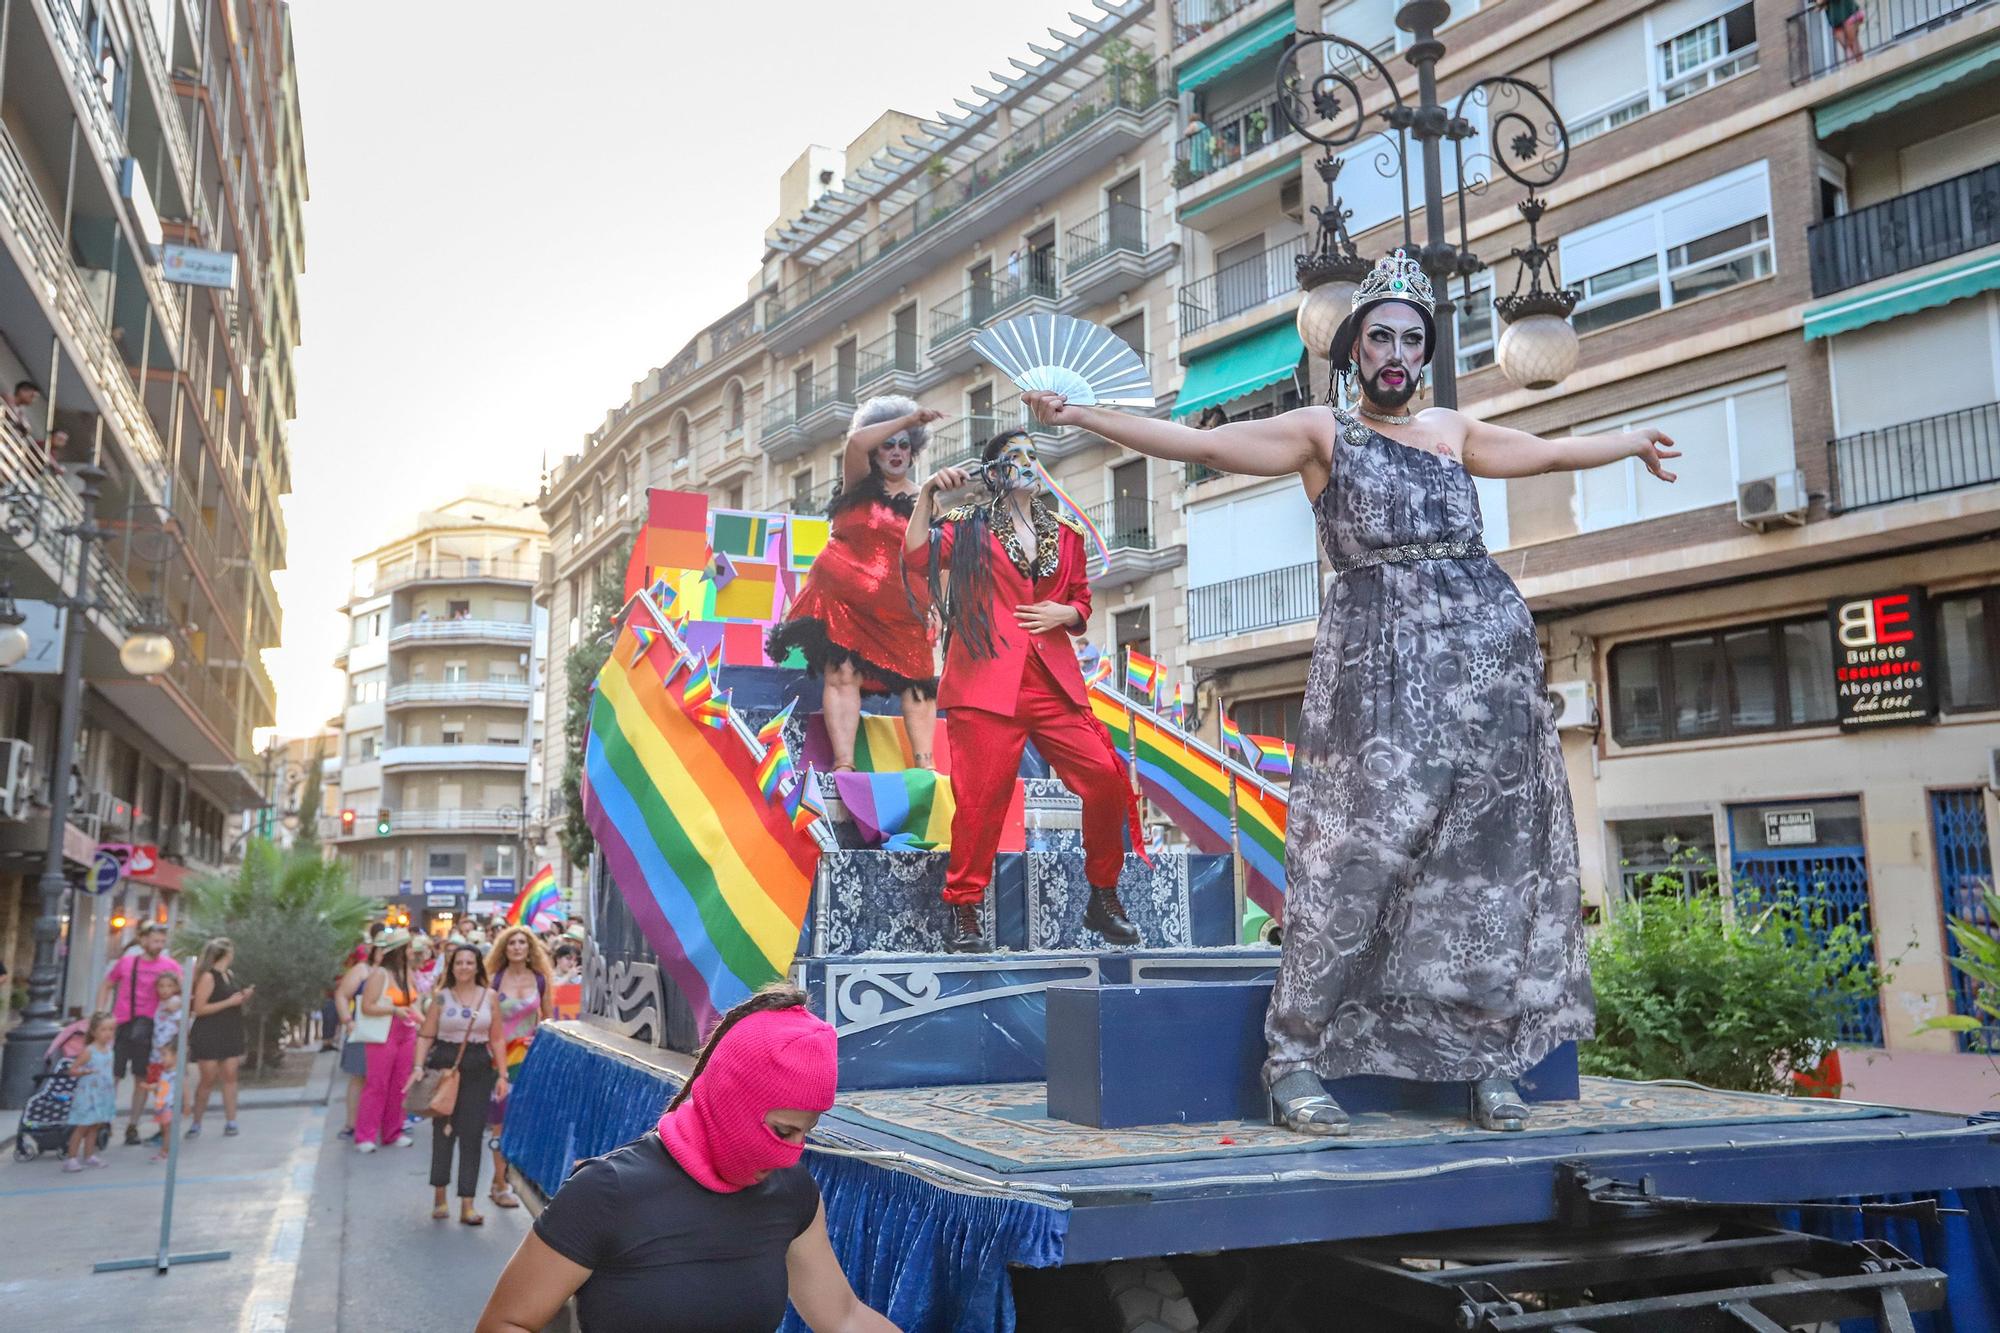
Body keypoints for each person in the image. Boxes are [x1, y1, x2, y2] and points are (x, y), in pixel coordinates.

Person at [1022, 249, 1679, 1136]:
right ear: (1354, 351)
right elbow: (1206, 444)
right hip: (1379, 667)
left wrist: (1633, 441)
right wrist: (1086, 416)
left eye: (1413, 337)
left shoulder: (1453, 430)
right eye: (1380, 337)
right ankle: (1293, 1056)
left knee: (1483, 868)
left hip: (1493, 676)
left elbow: (1550, 448)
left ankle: (1483, 1057)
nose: (1397, 351)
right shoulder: (1323, 435)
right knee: (1355, 858)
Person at [475, 985, 898, 1333]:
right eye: (783, 1131)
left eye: (807, 1133)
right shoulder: (606, 1192)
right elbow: (507, 1323)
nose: (792, 1153)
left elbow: (842, 1317)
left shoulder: (791, 1192)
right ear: (733, 1101)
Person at [903, 429, 1144, 953]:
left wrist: (1069, 613)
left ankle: (1103, 896)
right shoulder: (967, 528)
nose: (1029, 463)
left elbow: (1081, 600)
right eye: (1016, 457)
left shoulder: (1068, 534)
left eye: (1034, 455)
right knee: (981, 801)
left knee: (1104, 778)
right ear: (994, 472)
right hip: (986, 682)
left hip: (1052, 681)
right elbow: (918, 554)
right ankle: (965, 907)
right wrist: (927, 497)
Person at [767, 397, 945, 772]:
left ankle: (925, 766)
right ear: (877, 451)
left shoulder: (927, 499)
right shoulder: (858, 483)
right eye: (889, 444)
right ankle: (844, 763)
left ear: (914, 453)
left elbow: (941, 556)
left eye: (904, 445)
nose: (896, 452)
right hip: (842, 601)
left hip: (903, 612)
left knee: (918, 683)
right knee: (842, 673)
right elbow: (855, 444)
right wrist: (909, 418)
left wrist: (940, 608)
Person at [406, 943, 508, 1225]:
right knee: (444, 1130)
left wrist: (502, 1075)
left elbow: (497, 1037)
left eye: (469, 962)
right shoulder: (440, 998)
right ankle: (440, 1196)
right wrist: (418, 1067)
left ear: (478, 966)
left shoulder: (489, 997)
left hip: (478, 1066)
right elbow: (426, 1035)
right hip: (445, 1065)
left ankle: (467, 1203)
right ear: (451, 967)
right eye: (458, 962)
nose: (464, 967)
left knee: (473, 1134)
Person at [485, 923, 553, 1210]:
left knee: (522, 1120)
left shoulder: (540, 980)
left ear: (529, 949)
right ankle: (499, 1184)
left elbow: (548, 1021)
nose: (516, 947)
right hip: (497, 1058)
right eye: (511, 943)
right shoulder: (494, 979)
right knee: (499, 1121)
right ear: (504, 948)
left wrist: (537, 1040)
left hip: (527, 1060)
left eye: (521, 943)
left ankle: (507, 1178)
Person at [95, 920, 182, 1146]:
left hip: (150, 1030)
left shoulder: (170, 965)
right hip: (123, 1025)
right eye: (155, 940)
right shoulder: (126, 963)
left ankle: (133, 1125)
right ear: (143, 940)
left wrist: (178, 1001)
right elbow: (107, 984)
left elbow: (186, 988)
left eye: (162, 941)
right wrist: (99, 1012)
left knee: (142, 1078)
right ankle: (105, 1120)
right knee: (113, 1075)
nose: (159, 945)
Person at [354, 928, 421, 1152]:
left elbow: (413, 1003)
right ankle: (365, 1135)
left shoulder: (406, 973)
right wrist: (394, 1010)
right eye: (409, 947)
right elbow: (367, 1006)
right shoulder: (380, 974)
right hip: (384, 1032)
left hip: (407, 1031)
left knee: (400, 1084)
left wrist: (425, 1021)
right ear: (400, 951)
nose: (413, 951)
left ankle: (394, 1131)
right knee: (377, 1084)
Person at [186, 937, 253, 1137]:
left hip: (230, 1028)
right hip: (209, 1030)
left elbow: (230, 999)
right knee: (207, 1078)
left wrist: (241, 998)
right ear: (226, 954)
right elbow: (199, 1008)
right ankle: (196, 1122)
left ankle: (231, 1120)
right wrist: (229, 1003)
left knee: (231, 1076)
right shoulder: (208, 977)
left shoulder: (228, 975)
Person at [332, 934, 378, 1140]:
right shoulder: (361, 970)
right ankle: (351, 1123)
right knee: (359, 1076)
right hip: (363, 1029)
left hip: (390, 1032)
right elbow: (341, 995)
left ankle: (381, 1122)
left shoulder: (396, 971)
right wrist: (348, 1021)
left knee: (384, 1079)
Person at [63, 1012, 117, 1172]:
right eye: (104, 1029)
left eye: (111, 1029)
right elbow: (71, 1070)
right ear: (94, 1032)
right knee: (82, 1126)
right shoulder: (89, 1051)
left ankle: (89, 1155)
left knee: (95, 1126)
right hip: (88, 1094)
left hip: (102, 1093)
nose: (108, 1033)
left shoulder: (109, 1049)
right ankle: (71, 1158)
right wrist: (83, 1072)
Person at [145, 971, 184, 1153]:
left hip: (170, 1059)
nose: (165, 990)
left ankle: (169, 1134)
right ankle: (162, 1132)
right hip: (155, 1058)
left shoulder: (176, 1006)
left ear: (176, 987)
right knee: (159, 1097)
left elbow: (183, 1031)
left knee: (169, 1097)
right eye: (161, 986)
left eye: (169, 986)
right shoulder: (158, 1005)